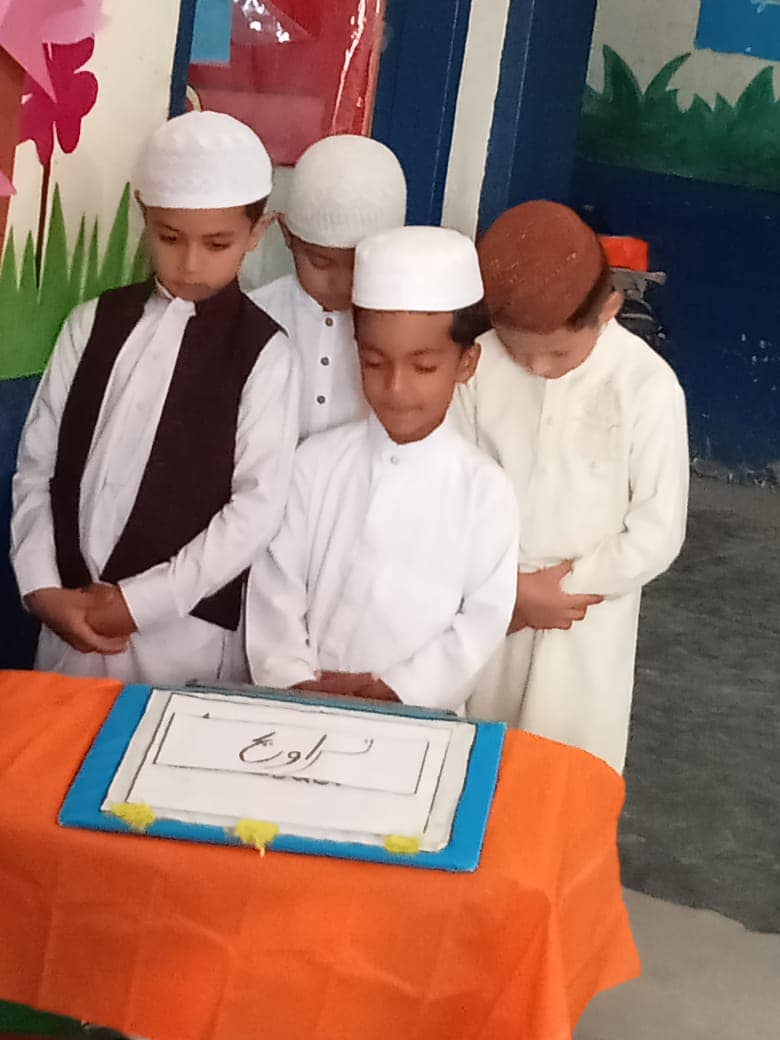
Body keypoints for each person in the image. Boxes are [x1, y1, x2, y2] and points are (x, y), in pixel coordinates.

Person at [11, 111, 300, 685]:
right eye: (169, 238)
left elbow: (255, 510)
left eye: (216, 244)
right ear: (145, 216)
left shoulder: (266, 353)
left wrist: (140, 602)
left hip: (183, 639)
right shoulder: (91, 322)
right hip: (66, 620)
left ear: (257, 232)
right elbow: (37, 466)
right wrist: (41, 587)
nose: (190, 263)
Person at [453, 201, 689, 771]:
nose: (536, 369)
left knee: (565, 773)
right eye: (518, 351)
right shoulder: (478, 364)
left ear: (609, 309)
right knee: (475, 764)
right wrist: (508, 591)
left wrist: (562, 589)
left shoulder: (645, 386)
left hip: (585, 618)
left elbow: (657, 531)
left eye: (557, 353)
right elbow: (452, 489)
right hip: (488, 606)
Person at [246, 226, 519, 711]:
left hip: (418, 719)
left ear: (466, 363)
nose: (395, 388)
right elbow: (275, 587)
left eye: (423, 367)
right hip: (299, 708)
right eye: (374, 362)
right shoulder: (313, 464)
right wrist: (294, 680)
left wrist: (396, 691)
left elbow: (482, 621)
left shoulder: (483, 490)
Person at [251, 134, 407, 441]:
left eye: (359, 265)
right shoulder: (256, 316)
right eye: (321, 263)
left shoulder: (403, 327)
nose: (342, 282)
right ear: (287, 235)